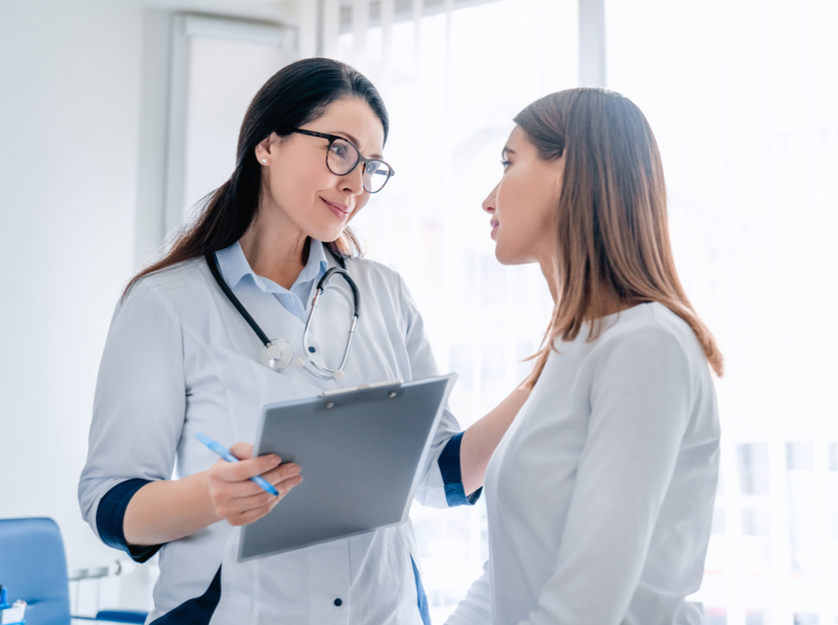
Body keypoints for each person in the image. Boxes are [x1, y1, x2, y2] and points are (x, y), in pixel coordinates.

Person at [78, 58, 527, 625]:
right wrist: (210, 497)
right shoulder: (167, 303)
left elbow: (440, 476)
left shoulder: (384, 294)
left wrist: (547, 374)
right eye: (339, 150)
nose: (356, 184)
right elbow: (110, 504)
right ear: (268, 145)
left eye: (371, 167)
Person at [446, 88, 724, 625]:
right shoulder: (571, 351)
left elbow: (585, 604)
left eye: (508, 163)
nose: (488, 198)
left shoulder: (647, 344)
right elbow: (512, 572)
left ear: (568, 171)